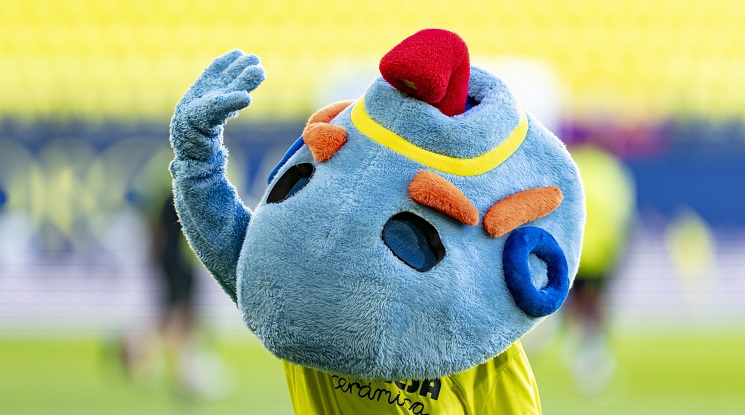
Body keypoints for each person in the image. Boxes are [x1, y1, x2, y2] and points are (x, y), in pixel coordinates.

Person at [563, 144, 636, 395]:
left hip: (577, 251)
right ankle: (591, 352)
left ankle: (585, 352)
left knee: (579, 305)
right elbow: (621, 214)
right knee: (594, 307)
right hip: (601, 254)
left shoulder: (574, 164)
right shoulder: (610, 170)